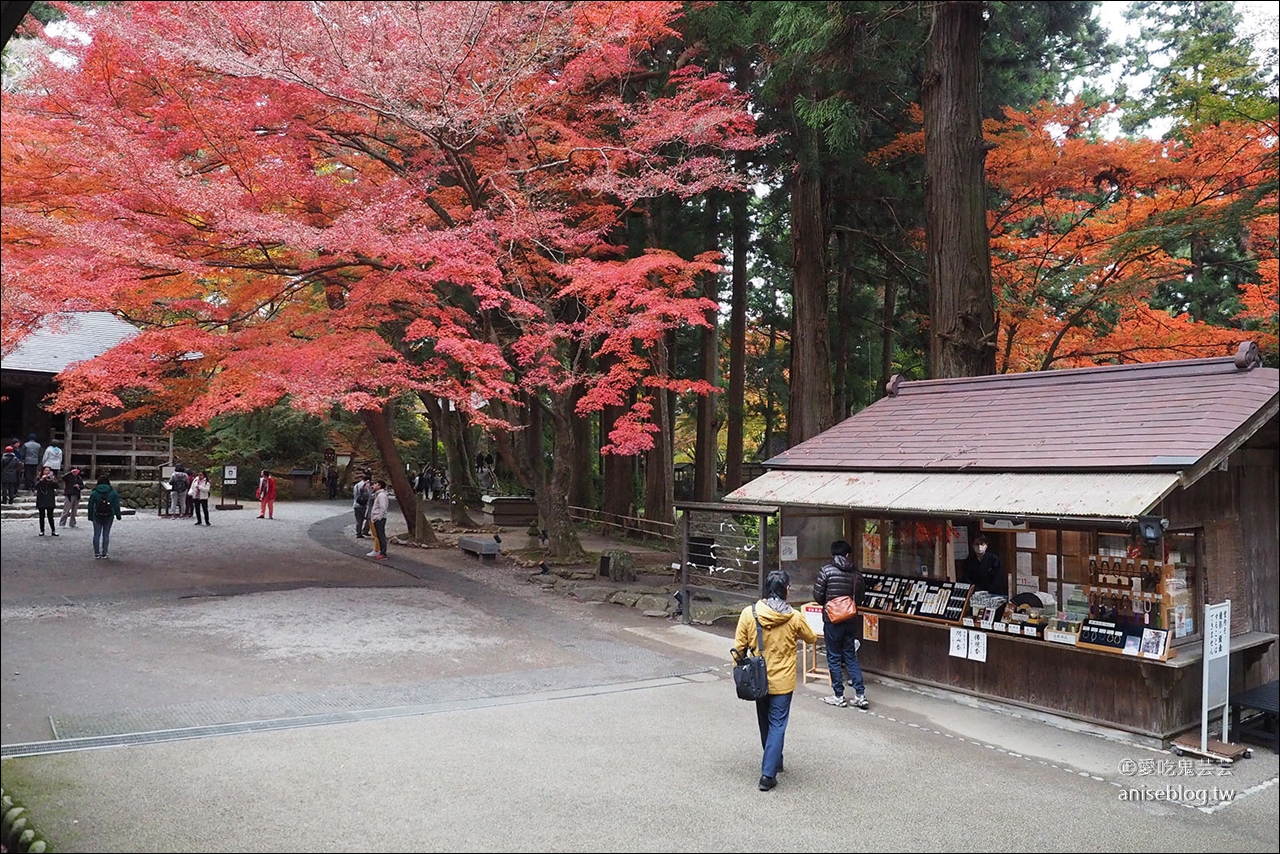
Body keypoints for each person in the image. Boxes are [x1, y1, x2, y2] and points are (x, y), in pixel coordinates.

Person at [733, 569, 817, 792]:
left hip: (758, 678)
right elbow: (811, 637)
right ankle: (768, 774)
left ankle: (773, 761)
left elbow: (738, 648)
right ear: (786, 590)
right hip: (783, 680)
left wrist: (738, 673)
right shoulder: (794, 617)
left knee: (764, 721)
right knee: (778, 724)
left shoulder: (749, 613)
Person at [812, 539, 869, 709]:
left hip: (832, 620)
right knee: (850, 655)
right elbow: (860, 597)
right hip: (850, 620)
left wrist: (830, 604)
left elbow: (818, 596)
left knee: (834, 657)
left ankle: (838, 695)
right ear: (848, 554)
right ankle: (860, 694)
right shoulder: (856, 574)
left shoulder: (826, 571)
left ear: (832, 554)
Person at [85, 474, 121, 559]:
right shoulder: (113, 492)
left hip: (97, 515)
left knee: (96, 534)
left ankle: (97, 553)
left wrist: (90, 516)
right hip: (109, 515)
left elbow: (90, 505)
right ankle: (104, 552)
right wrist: (118, 515)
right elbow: (116, 505)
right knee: (106, 534)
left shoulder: (94, 492)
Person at [366, 478, 389, 560]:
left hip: (379, 518)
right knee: (379, 535)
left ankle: (383, 553)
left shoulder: (381, 495)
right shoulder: (378, 494)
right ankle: (381, 552)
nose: (374, 485)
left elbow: (383, 507)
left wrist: (378, 517)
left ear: (379, 486)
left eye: (375, 484)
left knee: (381, 535)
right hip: (377, 517)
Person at [35, 465, 59, 536]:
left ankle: (53, 530)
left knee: (50, 516)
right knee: (41, 516)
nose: (47, 472)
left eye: (48, 470)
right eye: (45, 470)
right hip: (41, 498)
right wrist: (41, 480)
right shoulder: (39, 478)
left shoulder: (52, 478)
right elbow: (35, 486)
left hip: (49, 498)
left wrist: (52, 480)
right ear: (42, 471)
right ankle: (42, 530)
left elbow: (57, 486)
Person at [352, 470, 372, 538]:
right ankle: (362, 531)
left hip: (356, 504)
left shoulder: (356, 485)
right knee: (364, 519)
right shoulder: (366, 486)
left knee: (358, 520)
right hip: (363, 505)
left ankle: (358, 532)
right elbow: (369, 495)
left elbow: (355, 494)